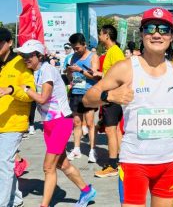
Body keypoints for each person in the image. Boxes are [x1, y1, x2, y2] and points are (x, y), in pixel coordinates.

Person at [83, 7, 173, 206]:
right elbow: (88, 98)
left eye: (163, 29)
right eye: (150, 28)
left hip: (170, 161)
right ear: (142, 33)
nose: (157, 34)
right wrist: (110, 95)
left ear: (172, 37)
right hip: (134, 162)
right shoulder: (125, 68)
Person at [15, 39, 96, 207]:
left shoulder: (47, 70)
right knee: (62, 164)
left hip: (61, 122)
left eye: (29, 55)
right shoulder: (34, 72)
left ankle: (44, 205)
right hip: (48, 124)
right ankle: (86, 191)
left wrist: (26, 90)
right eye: (23, 55)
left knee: (48, 167)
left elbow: (43, 98)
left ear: (39, 55)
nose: (25, 59)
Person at [0, 28, 35, 207]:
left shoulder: (22, 63)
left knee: (4, 164)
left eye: (0, 43)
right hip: (1, 121)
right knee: (4, 163)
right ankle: (16, 198)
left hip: (14, 122)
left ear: (10, 43)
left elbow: (30, 93)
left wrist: (11, 90)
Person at [93, 24, 125, 178]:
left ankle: (112, 165)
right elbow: (110, 74)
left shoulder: (115, 52)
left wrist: (111, 94)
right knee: (116, 130)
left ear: (106, 35)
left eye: (100, 33)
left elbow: (121, 74)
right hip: (112, 96)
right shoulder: (112, 52)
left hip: (112, 97)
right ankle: (119, 161)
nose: (99, 37)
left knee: (110, 130)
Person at [66, 33, 99, 163]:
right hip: (75, 92)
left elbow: (95, 77)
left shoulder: (93, 57)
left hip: (89, 93)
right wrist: (69, 73)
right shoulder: (73, 56)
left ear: (84, 44)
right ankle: (76, 149)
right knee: (77, 122)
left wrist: (80, 70)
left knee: (90, 123)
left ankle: (92, 150)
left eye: (78, 48)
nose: (76, 51)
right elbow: (71, 79)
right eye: (74, 48)